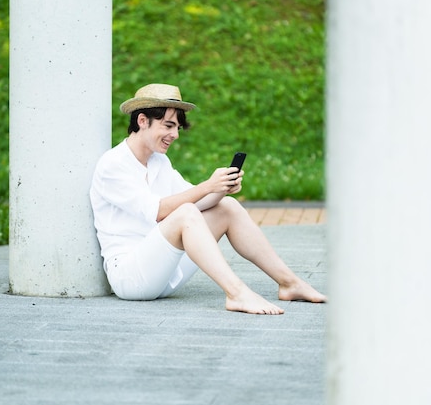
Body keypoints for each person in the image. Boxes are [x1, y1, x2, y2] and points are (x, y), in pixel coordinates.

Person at [89, 83, 326, 314]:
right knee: (185, 214)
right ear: (142, 121)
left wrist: (221, 188)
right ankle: (237, 293)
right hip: (132, 277)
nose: (174, 135)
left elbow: (197, 203)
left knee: (227, 207)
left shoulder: (158, 161)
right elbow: (160, 211)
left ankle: (289, 283)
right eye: (168, 126)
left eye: (177, 129)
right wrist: (207, 186)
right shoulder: (113, 164)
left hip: (165, 271)